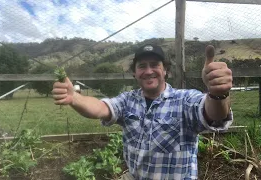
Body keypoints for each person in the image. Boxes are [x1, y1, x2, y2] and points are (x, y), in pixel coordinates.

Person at [52, 44, 233, 180]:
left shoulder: (183, 100)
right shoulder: (127, 100)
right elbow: (101, 108)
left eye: (154, 65)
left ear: (165, 70)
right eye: (142, 66)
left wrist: (218, 94)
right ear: (135, 72)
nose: (148, 71)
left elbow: (213, 114)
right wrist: (75, 98)